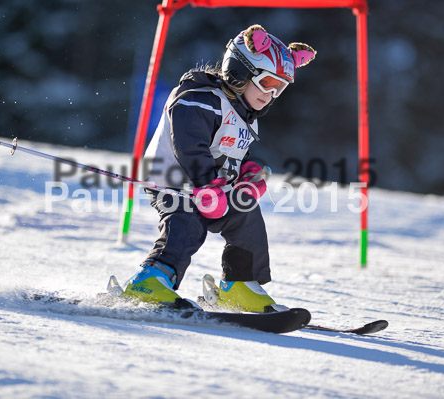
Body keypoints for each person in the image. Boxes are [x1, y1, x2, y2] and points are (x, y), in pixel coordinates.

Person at [121, 24, 316, 312]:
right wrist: (206, 185)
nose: (271, 95)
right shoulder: (198, 98)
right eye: (267, 84)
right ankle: (150, 279)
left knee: (246, 215)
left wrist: (249, 171)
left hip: (213, 188)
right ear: (240, 71)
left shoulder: (246, 116)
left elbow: (235, 153)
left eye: (280, 87)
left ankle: (239, 284)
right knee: (187, 222)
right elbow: (191, 145)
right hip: (174, 181)